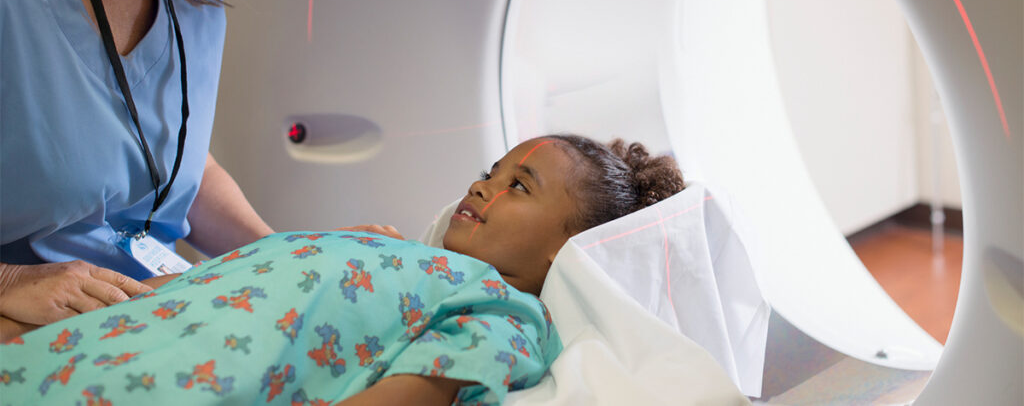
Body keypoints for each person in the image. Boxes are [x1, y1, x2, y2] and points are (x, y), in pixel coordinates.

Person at [0, 0, 375, 338]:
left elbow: (172, 165)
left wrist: (293, 260)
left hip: (149, 311)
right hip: (41, 329)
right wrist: (8, 280)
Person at [0, 135, 684, 404]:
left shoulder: (506, 312)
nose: (484, 187)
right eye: (490, 171)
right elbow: (191, 291)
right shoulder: (390, 250)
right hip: (82, 343)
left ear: (565, 251)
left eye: (520, 187)